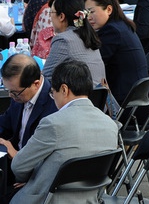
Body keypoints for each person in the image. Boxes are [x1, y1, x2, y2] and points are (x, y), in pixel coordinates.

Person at [9, 60, 120, 204]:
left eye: (52, 92)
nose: (53, 97)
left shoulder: (53, 123)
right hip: (89, 199)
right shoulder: (111, 126)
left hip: (48, 199)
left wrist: (33, 178)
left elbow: (19, 166)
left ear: (64, 90)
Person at [84, 0, 148, 107]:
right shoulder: (121, 25)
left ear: (108, 9)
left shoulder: (112, 31)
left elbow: (93, 63)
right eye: (86, 13)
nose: (89, 17)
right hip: (137, 99)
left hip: (125, 103)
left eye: (92, 11)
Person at [43, 0, 105, 88]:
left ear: (61, 16)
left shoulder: (63, 40)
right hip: (98, 99)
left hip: (78, 100)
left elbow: (46, 78)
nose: (50, 17)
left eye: (51, 12)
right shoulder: (88, 35)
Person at [0, 54, 57, 155]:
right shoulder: (20, 93)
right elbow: (6, 124)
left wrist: (17, 156)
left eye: (14, 92)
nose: (10, 95)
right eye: (8, 90)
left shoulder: (54, 103)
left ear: (36, 84)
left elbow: (44, 154)